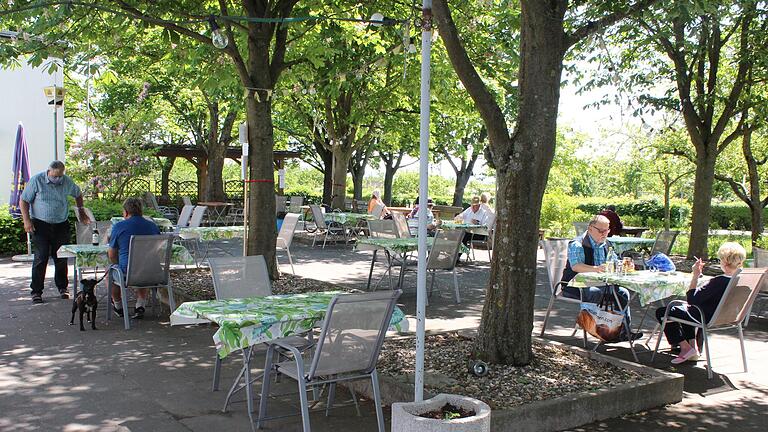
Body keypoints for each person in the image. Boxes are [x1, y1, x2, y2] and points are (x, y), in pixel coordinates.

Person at [654, 242, 746, 364]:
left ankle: (685, 348)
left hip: (704, 316)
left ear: (724, 261)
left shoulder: (718, 281)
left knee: (662, 312)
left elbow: (691, 299)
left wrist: (695, 275)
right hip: (727, 317)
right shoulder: (742, 281)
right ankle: (693, 348)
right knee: (685, 310)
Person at [560, 214, 641, 340]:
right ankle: (597, 330)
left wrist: (625, 264)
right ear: (590, 228)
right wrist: (596, 269)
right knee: (595, 292)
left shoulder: (606, 244)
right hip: (575, 285)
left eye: (607, 231)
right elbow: (576, 266)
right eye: (601, 231)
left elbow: (614, 262)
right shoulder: (577, 243)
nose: (604, 234)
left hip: (600, 284)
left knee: (622, 293)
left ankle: (623, 331)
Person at [20, 160, 89, 303]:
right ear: (49, 172)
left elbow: (78, 194)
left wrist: (81, 211)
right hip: (40, 224)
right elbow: (24, 200)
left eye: (60, 176)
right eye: (55, 176)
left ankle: (63, 288)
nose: (58, 179)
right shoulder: (37, 181)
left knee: (61, 258)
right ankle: (36, 291)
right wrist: (26, 220)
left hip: (61, 224)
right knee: (41, 257)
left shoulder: (66, 181)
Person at [108, 197, 161, 319]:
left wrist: (117, 264)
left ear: (126, 212)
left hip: (128, 272)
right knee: (143, 267)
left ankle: (118, 306)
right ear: (141, 211)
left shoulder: (119, 226)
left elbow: (111, 254)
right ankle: (140, 304)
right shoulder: (153, 226)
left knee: (111, 271)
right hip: (152, 272)